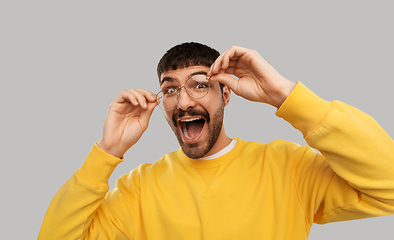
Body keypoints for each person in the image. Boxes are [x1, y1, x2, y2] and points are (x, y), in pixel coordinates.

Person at [38, 42, 394, 240]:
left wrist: (285, 95)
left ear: (226, 94)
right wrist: (108, 151)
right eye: (170, 89)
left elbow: (388, 185)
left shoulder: (288, 167)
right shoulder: (139, 190)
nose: (184, 101)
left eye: (200, 84)